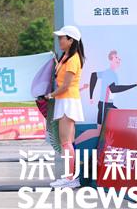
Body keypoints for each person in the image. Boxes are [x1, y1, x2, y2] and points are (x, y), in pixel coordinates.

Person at [74, 50, 137, 145]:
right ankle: (75, 143)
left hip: (109, 105)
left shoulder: (110, 73)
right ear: (111, 59)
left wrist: (91, 96)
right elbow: (114, 89)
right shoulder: (109, 73)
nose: (119, 59)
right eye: (116, 57)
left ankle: (108, 146)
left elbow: (94, 75)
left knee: (114, 123)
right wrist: (134, 85)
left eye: (119, 58)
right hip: (104, 105)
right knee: (98, 131)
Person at [45, 25, 85, 189]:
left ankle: (70, 178)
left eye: (62, 38)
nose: (60, 40)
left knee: (66, 142)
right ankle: (71, 177)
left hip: (68, 101)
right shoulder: (66, 57)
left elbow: (66, 85)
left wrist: (50, 95)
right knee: (67, 142)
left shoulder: (73, 59)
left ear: (71, 40)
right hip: (64, 101)